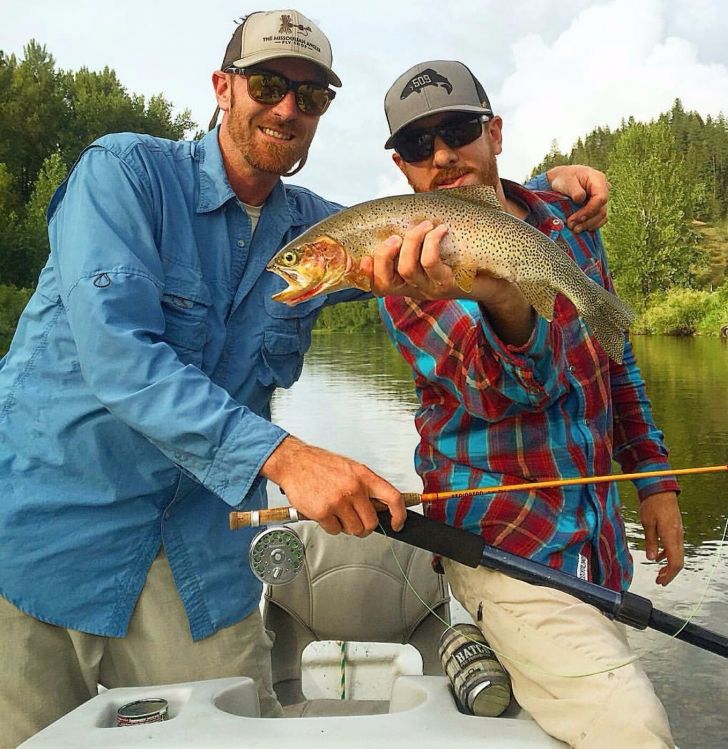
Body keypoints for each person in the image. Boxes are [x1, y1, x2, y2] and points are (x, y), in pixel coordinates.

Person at [0, 10, 611, 745]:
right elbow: (121, 358)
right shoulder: (123, 175)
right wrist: (288, 458)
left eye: (312, 95)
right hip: (41, 539)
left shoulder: (321, 230)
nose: (287, 107)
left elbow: (438, 219)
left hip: (196, 562)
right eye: (268, 84)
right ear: (222, 88)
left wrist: (546, 192)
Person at [362, 60, 685, 749]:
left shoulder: (565, 216)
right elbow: (514, 389)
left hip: (597, 547)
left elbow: (615, 359)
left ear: (495, 132)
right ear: (403, 168)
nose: (443, 154)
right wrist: (506, 298)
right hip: (501, 549)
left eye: (458, 129)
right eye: (420, 145)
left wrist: (652, 479)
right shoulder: (401, 274)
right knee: (634, 731)